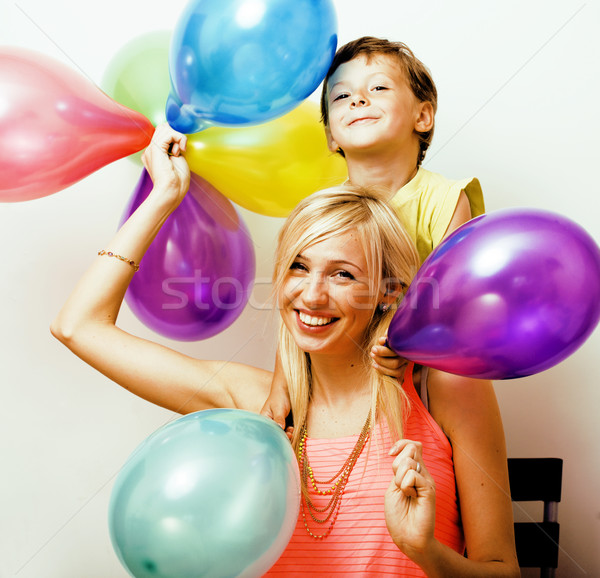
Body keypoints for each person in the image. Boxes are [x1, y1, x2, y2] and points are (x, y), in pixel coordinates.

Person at [52, 125, 519, 577]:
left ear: (387, 293)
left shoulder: (444, 390)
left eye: (342, 275)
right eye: (299, 266)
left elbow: (502, 572)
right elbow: (78, 326)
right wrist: (163, 197)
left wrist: (425, 552)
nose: (312, 296)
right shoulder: (261, 408)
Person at [262, 36, 485, 428]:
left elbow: (454, 311)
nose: (357, 101)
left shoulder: (446, 200)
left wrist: (410, 350)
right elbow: (298, 309)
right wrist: (282, 387)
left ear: (423, 116)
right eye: (341, 96)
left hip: (416, 378)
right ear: (331, 136)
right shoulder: (323, 211)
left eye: (377, 88)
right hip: (336, 374)